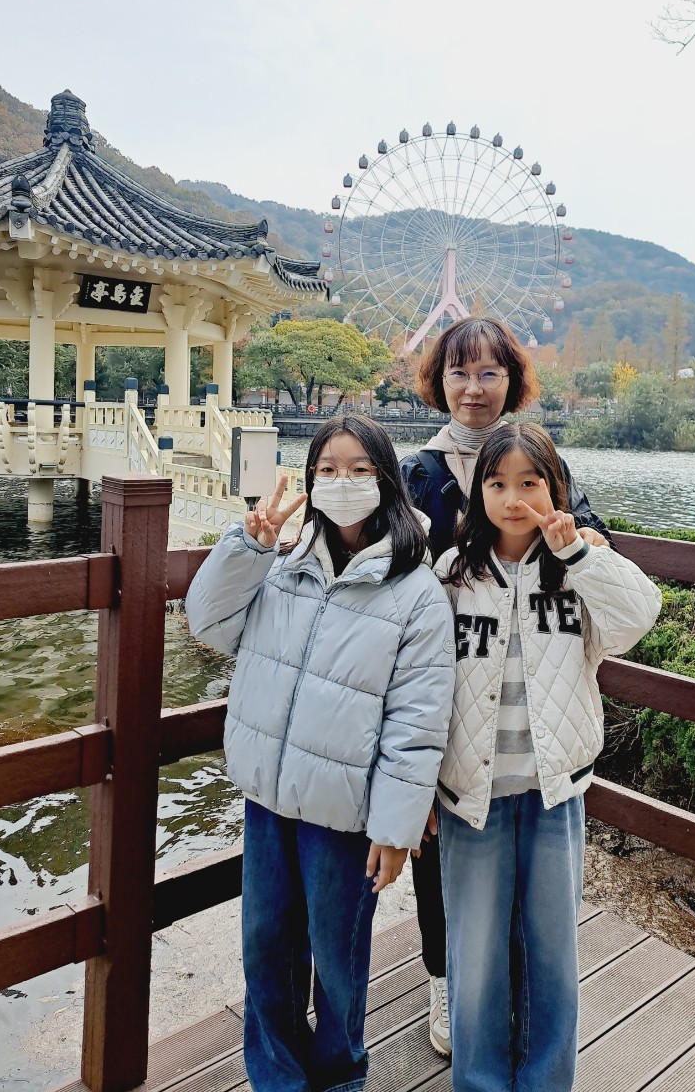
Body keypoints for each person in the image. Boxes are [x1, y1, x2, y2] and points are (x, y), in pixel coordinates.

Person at [185, 415, 456, 1092]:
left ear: (387, 480)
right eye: (328, 470)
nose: (343, 482)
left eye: (360, 470)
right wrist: (247, 547)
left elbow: (417, 720)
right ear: (308, 480)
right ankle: (276, 1078)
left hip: (346, 813)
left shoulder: (416, 591)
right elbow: (206, 623)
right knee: (266, 949)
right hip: (269, 796)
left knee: (339, 959)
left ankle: (340, 1078)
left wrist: (396, 826)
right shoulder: (281, 564)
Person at [398, 316, 612, 1056]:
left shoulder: (541, 458)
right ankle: (443, 980)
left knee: (521, 884)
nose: (474, 388)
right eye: (459, 372)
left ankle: (512, 1004)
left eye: (490, 372)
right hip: (448, 687)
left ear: (511, 380)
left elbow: (589, 538)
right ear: (439, 381)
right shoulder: (418, 472)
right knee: (441, 855)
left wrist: (584, 544)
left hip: (526, 688)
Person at [434, 422, 662, 1092]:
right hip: (469, 797)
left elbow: (639, 617)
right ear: (478, 494)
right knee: (474, 953)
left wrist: (582, 555)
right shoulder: (451, 574)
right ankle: (480, 1080)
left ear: (554, 489)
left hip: (553, 792)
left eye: (529, 482)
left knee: (552, 950)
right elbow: (420, 684)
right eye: (496, 483)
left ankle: (545, 1081)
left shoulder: (576, 569)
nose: (513, 499)